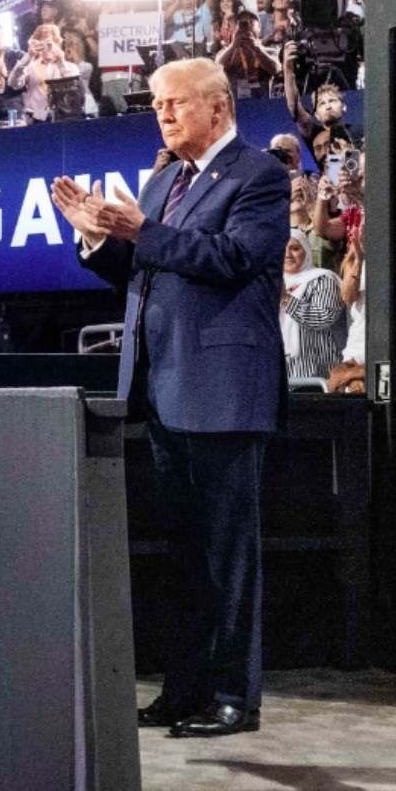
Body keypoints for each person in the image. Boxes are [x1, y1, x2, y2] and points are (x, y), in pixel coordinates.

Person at [52, 57, 288, 738]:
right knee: (182, 557)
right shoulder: (160, 183)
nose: (162, 114)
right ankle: (183, 690)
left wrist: (137, 231)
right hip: (161, 389)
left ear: (216, 108)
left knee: (227, 559)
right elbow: (139, 266)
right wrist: (96, 236)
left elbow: (230, 259)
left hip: (223, 391)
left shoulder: (259, 176)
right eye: (157, 104)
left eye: (174, 103)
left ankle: (233, 698)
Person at [281, 236, 348, 381]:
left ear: (306, 251)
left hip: (316, 374)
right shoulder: (272, 281)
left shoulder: (323, 279)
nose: (287, 254)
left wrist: (286, 299)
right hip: (279, 373)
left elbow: (323, 318)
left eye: (295, 248)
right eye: (283, 249)